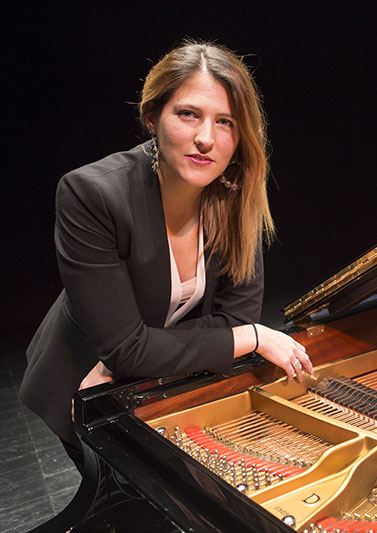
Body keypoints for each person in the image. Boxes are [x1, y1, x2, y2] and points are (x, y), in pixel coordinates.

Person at [20, 40, 313, 470]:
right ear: (152, 116)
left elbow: (231, 318)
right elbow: (131, 347)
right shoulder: (92, 195)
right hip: (83, 390)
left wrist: (138, 358)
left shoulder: (238, 197)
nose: (205, 138)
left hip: (157, 383)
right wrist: (253, 337)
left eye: (226, 121)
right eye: (188, 113)